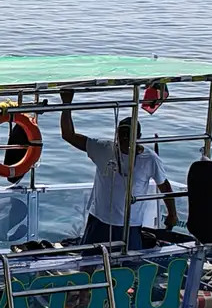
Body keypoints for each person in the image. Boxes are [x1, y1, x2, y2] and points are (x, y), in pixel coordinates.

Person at [59, 90, 179, 249]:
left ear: (139, 136)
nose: (124, 139)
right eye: (121, 134)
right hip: (99, 219)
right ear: (116, 134)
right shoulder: (103, 148)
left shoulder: (150, 159)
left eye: (129, 135)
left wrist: (172, 213)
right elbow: (68, 135)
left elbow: (164, 186)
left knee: (128, 265)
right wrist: (67, 103)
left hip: (130, 223)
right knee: (88, 264)